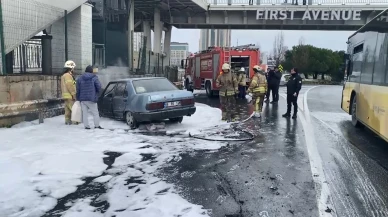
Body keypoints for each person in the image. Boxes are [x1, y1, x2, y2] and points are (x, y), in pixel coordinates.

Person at [76, 65, 103, 129]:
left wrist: (78, 98)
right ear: (91, 71)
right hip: (91, 98)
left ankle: (86, 126)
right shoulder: (94, 77)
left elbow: (78, 89)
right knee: (95, 113)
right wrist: (97, 93)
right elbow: (99, 86)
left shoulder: (80, 78)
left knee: (85, 113)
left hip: (83, 99)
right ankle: (97, 125)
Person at [61, 60, 77, 125]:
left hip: (65, 95)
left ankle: (67, 121)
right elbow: (70, 86)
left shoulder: (64, 75)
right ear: (71, 68)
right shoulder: (68, 75)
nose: (74, 69)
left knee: (67, 109)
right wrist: (73, 94)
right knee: (73, 108)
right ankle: (75, 121)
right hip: (69, 95)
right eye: (73, 68)